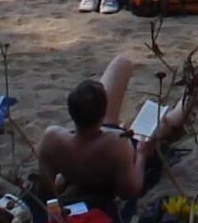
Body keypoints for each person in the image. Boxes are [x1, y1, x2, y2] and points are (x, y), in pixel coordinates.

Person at [37, 56, 189, 203]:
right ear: (102, 115)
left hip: (87, 138)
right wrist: (141, 154)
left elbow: (47, 187)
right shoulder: (116, 144)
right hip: (118, 151)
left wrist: (67, 173)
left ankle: (188, 96)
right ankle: (189, 96)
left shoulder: (52, 138)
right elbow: (130, 191)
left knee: (122, 62)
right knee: (165, 124)